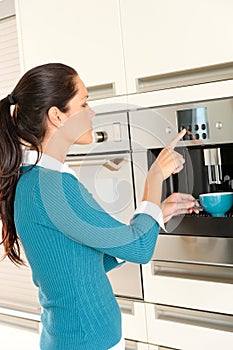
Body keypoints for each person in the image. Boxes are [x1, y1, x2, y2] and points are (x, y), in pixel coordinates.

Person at [0, 63, 199, 350]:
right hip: (87, 342)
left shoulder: (35, 180)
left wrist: (155, 215)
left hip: (77, 337)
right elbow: (141, 250)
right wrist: (154, 176)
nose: (91, 112)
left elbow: (78, 268)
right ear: (57, 115)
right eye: (84, 102)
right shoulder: (52, 187)